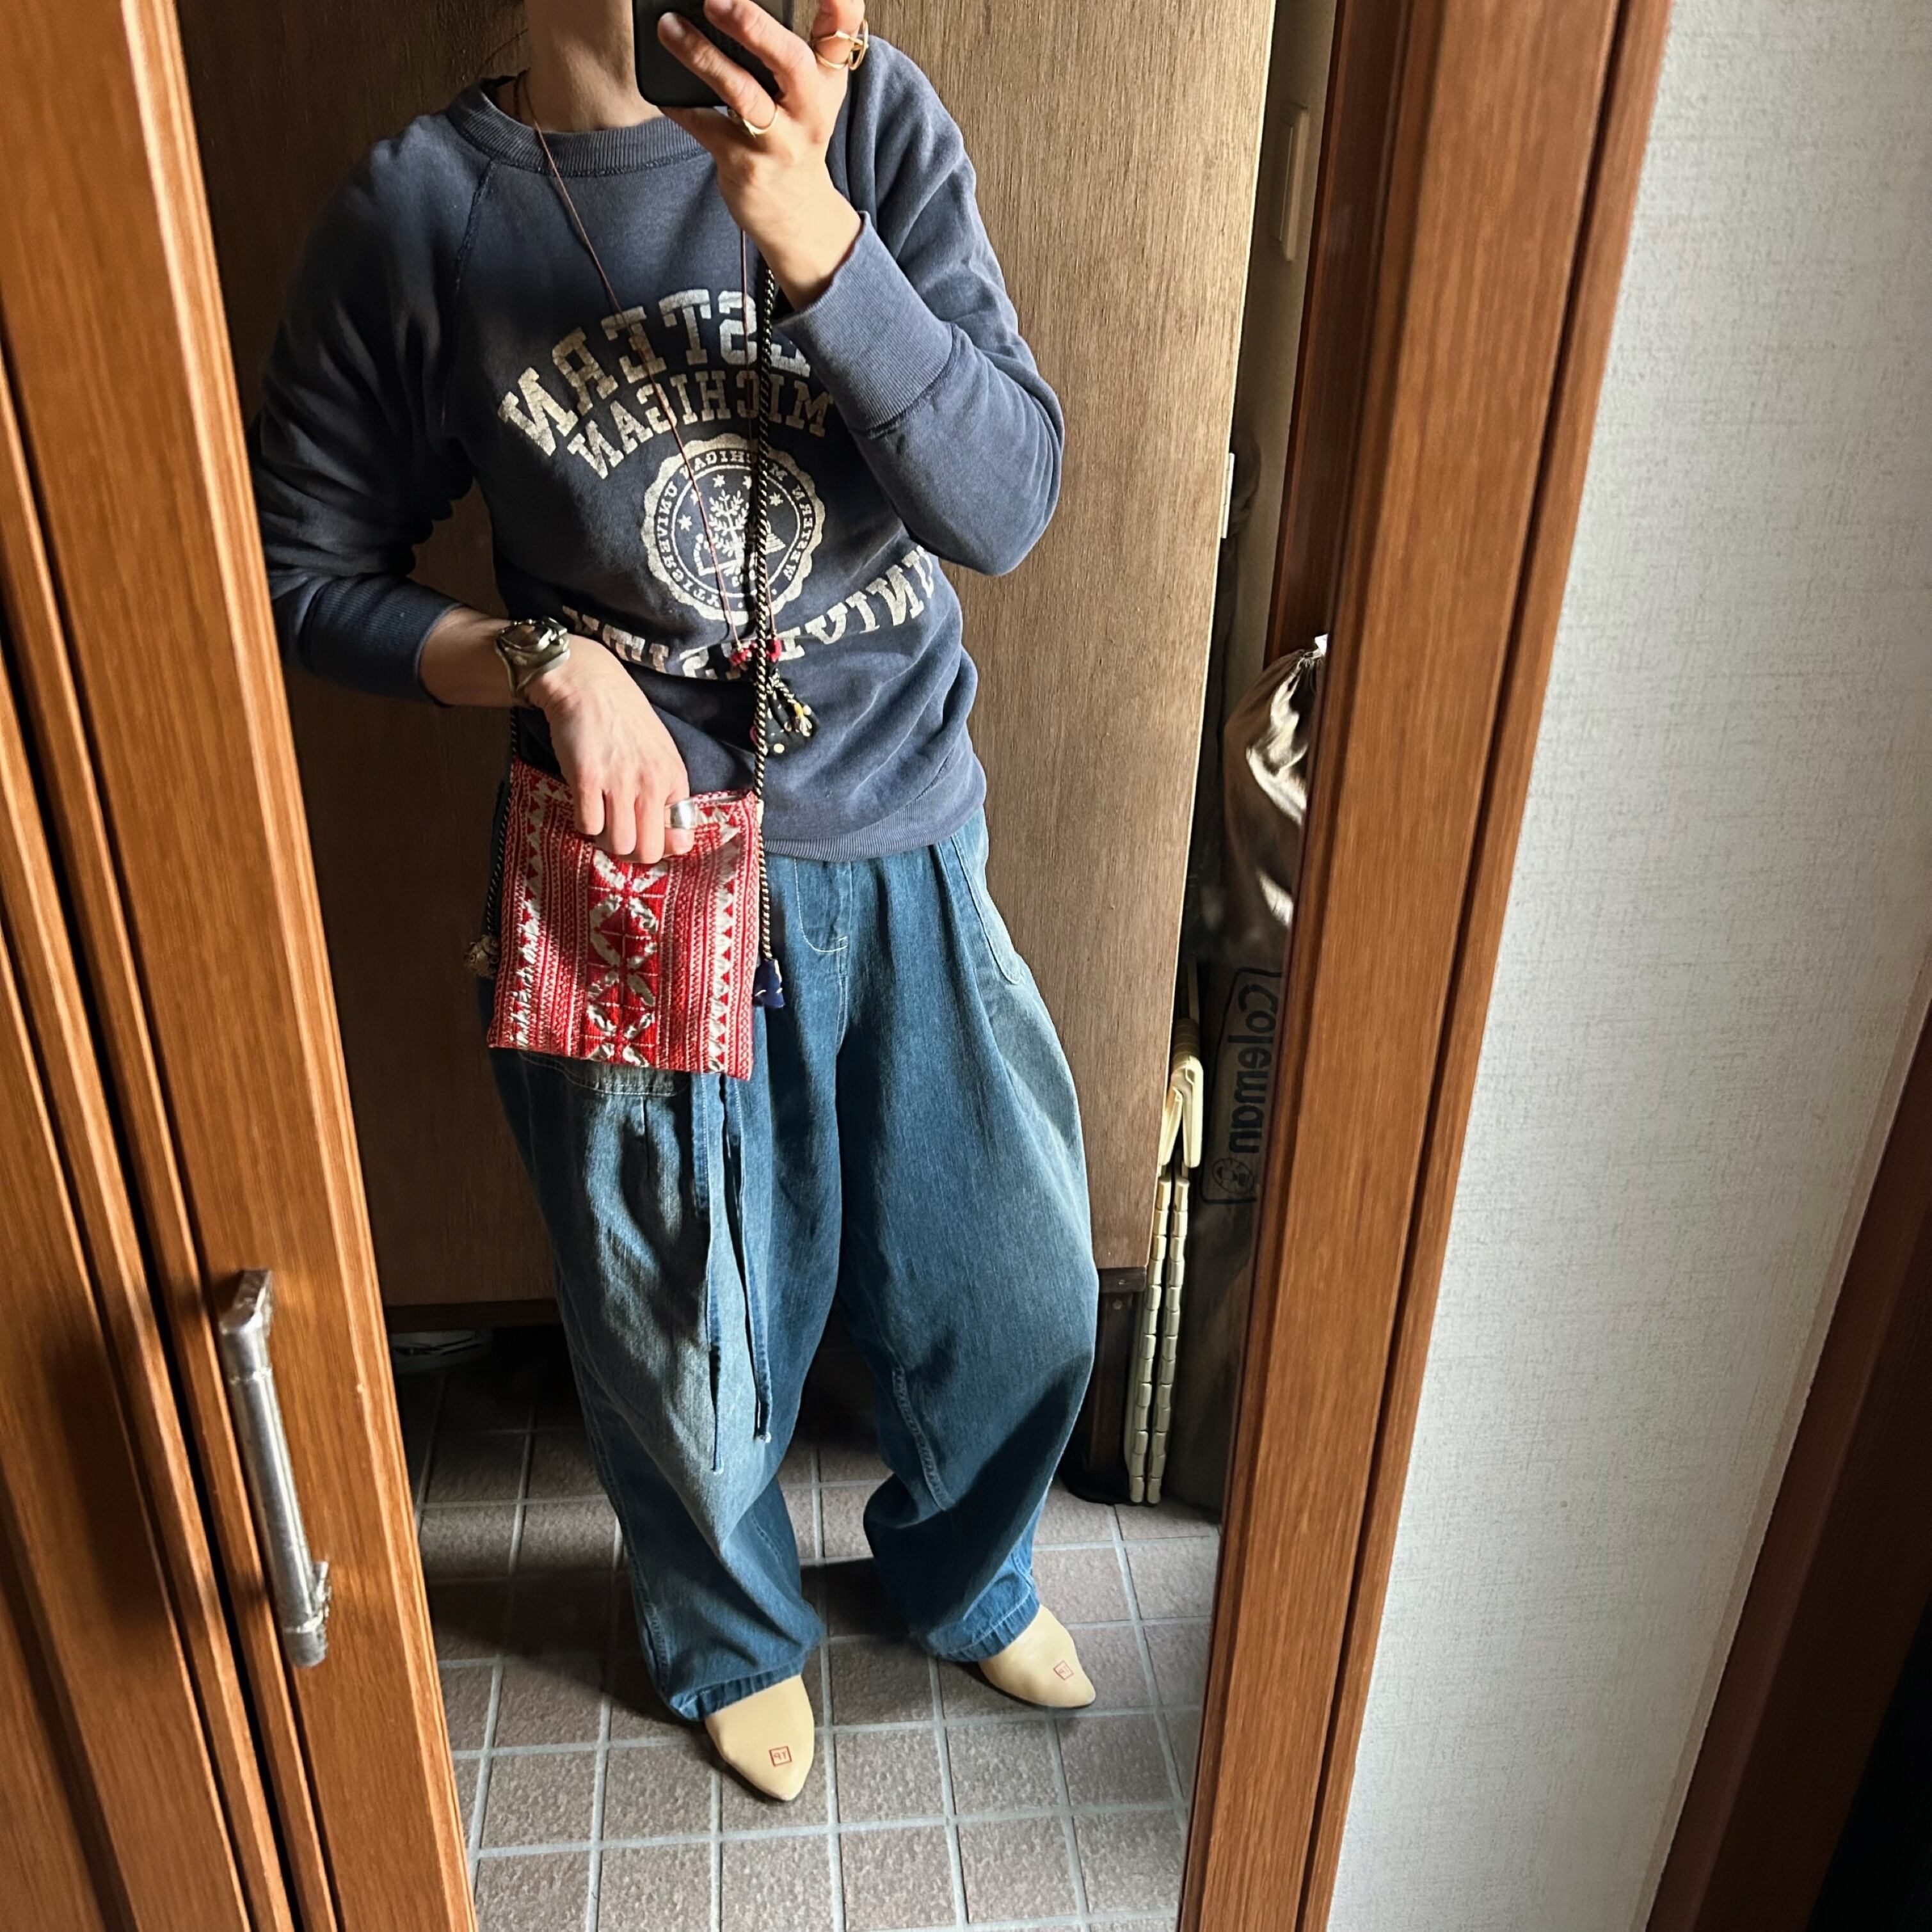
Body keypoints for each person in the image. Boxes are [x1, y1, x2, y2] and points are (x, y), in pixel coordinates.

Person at [251, 0, 1100, 1801]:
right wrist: (546, 661)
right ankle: (729, 1634)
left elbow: (1009, 502)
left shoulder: (872, 122)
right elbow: (295, 569)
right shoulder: (427, 210)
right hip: (638, 881)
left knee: (1015, 1287)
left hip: (907, 832)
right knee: (678, 1342)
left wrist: (823, 242)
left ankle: (969, 1575)